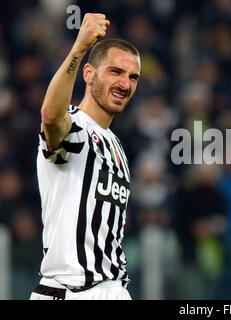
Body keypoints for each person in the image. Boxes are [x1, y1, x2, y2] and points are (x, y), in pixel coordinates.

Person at [30, 13, 141, 300]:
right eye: (115, 72)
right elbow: (51, 118)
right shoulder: (75, 127)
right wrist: (78, 49)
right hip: (72, 290)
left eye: (132, 77)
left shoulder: (115, 144)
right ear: (89, 74)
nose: (125, 84)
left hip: (114, 289)